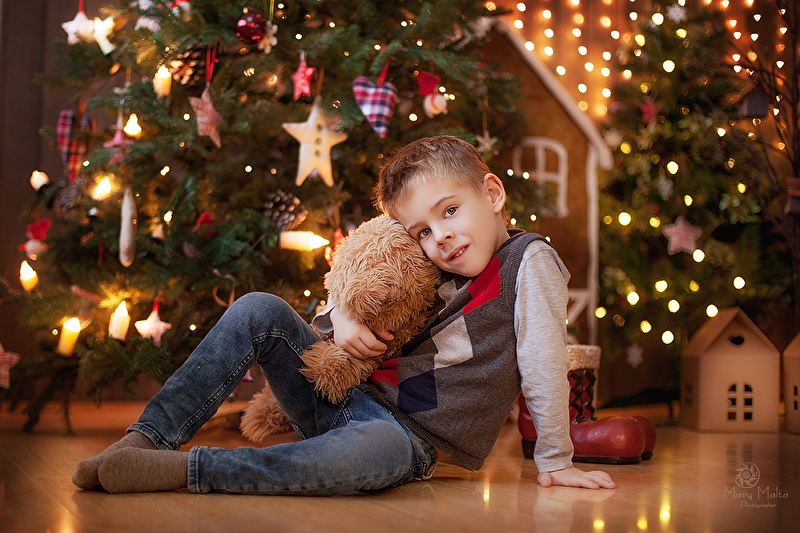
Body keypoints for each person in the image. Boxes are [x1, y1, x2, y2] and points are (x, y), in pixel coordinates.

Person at [72, 135, 614, 495]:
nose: (440, 236)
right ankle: (146, 440)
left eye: (450, 210)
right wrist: (345, 318)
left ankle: (188, 470)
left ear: (491, 193)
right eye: (422, 230)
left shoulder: (528, 260)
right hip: (343, 397)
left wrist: (554, 459)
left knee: (366, 453)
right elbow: (353, 282)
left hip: (410, 440)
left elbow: (543, 359)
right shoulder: (425, 260)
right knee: (259, 309)